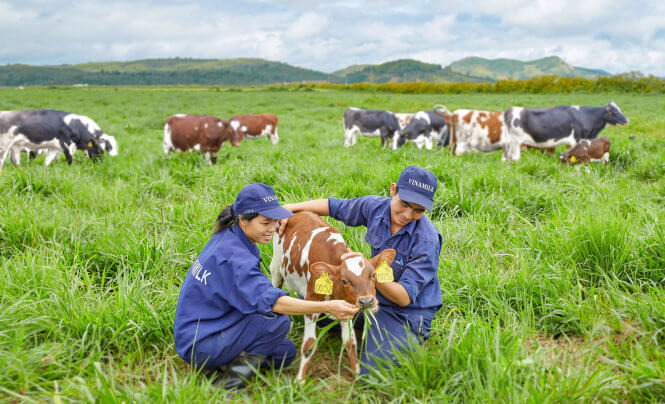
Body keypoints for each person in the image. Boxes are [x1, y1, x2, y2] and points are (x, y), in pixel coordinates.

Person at [173, 183, 359, 391]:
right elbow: (274, 303)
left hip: (209, 325)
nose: (274, 228)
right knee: (277, 323)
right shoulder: (235, 258)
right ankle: (230, 386)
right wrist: (327, 306)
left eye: (275, 221)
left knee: (284, 353)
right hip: (200, 343)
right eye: (266, 223)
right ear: (243, 220)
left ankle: (223, 364)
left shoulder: (231, 237)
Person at [280, 166, 442, 374]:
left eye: (419, 210)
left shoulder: (426, 241)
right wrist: (290, 207)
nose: (408, 214)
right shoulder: (376, 207)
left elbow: (403, 298)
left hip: (406, 311)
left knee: (373, 371)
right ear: (393, 190)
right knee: (320, 314)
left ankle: (409, 336)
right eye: (404, 204)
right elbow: (335, 207)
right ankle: (368, 325)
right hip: (370, 294)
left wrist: (364, 270)